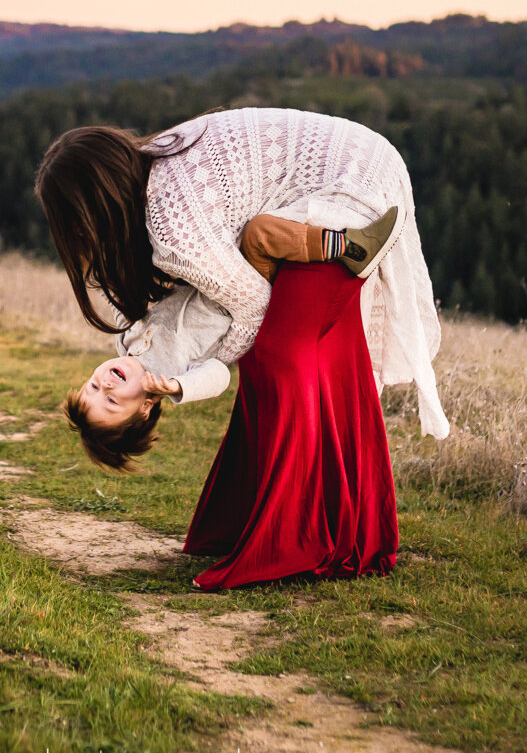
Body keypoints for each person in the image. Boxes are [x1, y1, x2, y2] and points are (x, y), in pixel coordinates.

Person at [36, 107, 447, 589]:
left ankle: (294, 538)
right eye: (110, 401)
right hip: (355, 160)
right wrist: (187, 380)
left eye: (94, 385)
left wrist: (229, 347)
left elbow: (252, 301)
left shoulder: (168, 239)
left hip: (351, 177)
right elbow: (217, 373)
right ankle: (311, 523)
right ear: (146, 408)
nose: (104, 382)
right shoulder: (169, 378)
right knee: (273, 308)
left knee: (274, 352)